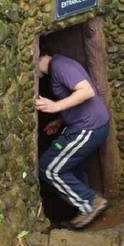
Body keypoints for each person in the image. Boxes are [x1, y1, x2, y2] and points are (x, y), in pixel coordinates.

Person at [36, 52, 111, 228]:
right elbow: (74, 97)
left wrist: (55, 106)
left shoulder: (61, 66)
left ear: (38, 56)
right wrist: (61, 120)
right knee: (73, 167)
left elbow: (86, 91)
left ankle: (91, 203)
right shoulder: (60, 66)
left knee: (49, 169)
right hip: (88, 126)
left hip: (88, 128)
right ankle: (83, 209)